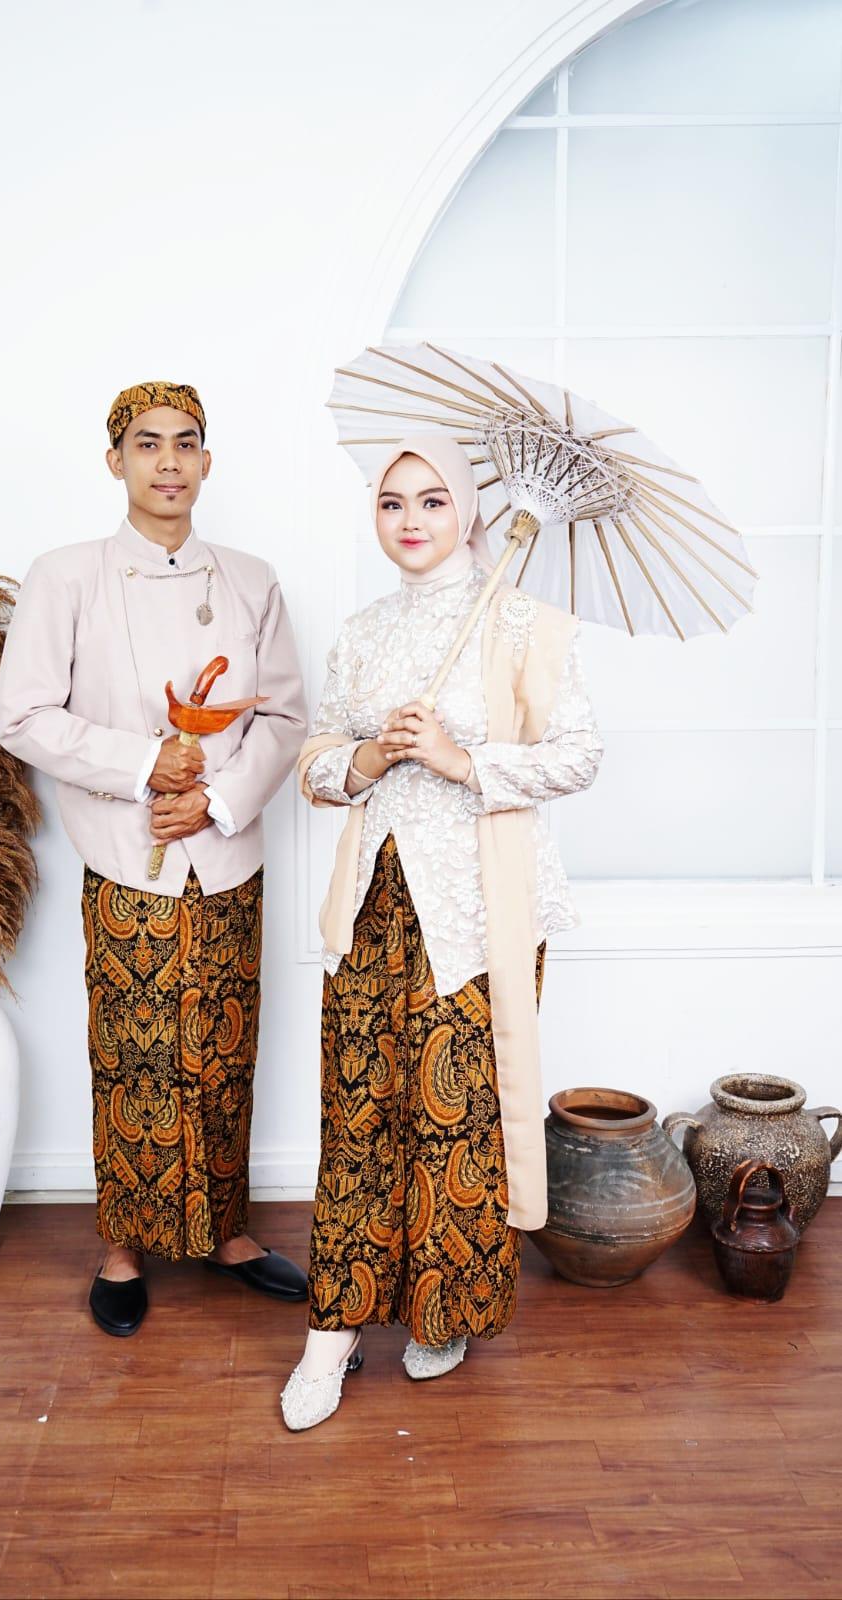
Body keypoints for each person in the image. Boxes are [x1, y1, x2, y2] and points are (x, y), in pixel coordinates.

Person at [281, 433, 602, 1428]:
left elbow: (580, 755)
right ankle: (332, 1331)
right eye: (392, 502)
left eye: (431, 500)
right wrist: (370, 757)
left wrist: (463, 760)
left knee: (455, 1113)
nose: (411, 520)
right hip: (372, 904)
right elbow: (315, 763)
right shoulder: (362, 633)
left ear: (468, 512)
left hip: (476, 910)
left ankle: (442, 1311)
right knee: (356, 1111)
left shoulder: (526, 625)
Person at [0, 381, 309, 1337]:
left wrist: (214, 797)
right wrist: (143, 768)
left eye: (185, 443)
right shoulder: (67, 577)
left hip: (227, 855)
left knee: (226, 1047)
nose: (168, 461)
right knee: (134, 1055)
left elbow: (285, 717)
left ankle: (227, 1232)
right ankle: (123, 1247)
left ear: (207, 463)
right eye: (146, 443)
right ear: (115, 461)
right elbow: (22, 715)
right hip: (128, 859)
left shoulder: (251, 579)